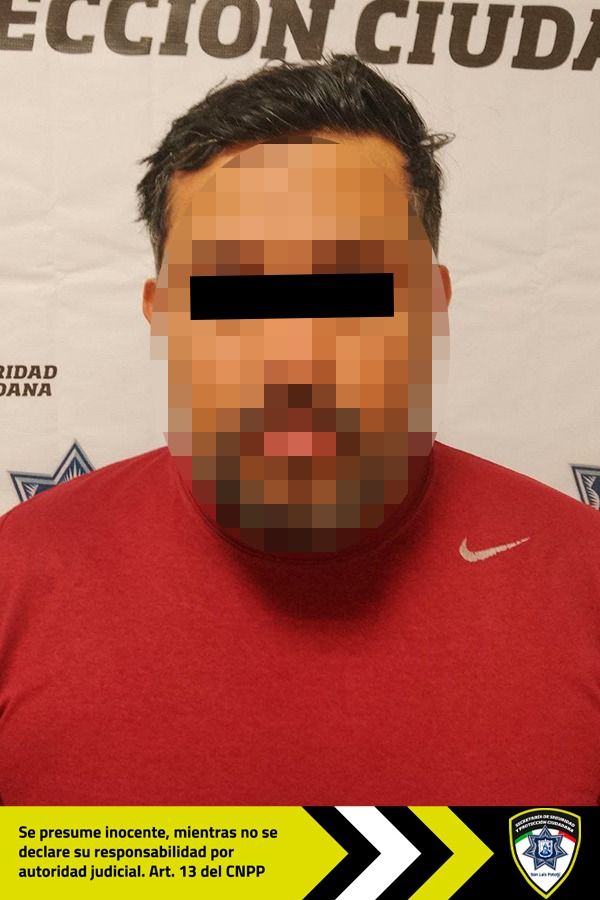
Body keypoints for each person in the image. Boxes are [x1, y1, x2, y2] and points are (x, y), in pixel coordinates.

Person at [0, 54, 598, 807]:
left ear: (434, 307)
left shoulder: (585, 585)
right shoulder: (16, 581)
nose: (295, 353)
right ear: (162, 317)